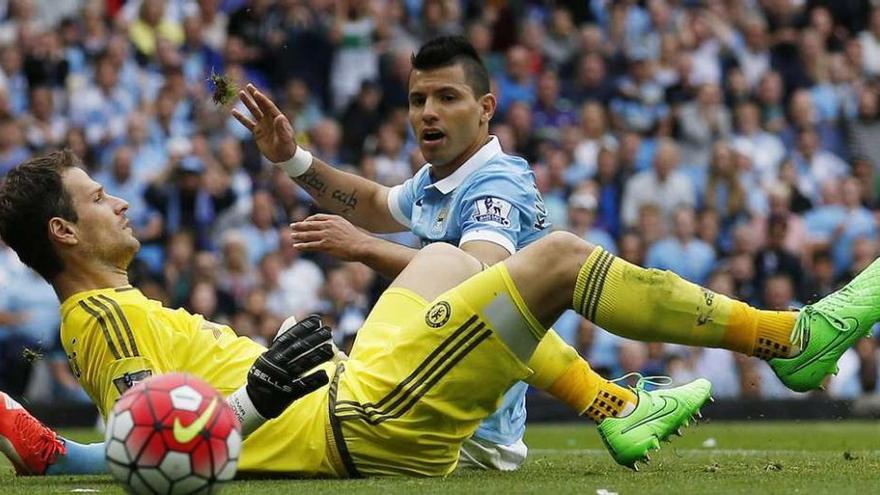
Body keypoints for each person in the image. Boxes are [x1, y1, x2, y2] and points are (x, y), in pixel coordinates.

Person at [1, 151, 875, 478]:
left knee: (445, 260)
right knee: (559, 256)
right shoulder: (103, 318)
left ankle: (617, 407)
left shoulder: (114, 305)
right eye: (97, 195)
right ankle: (790, 339)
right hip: (357, 420)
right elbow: (142, 452)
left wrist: (44, 452)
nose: (118, 201)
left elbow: (117, 449)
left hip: (353, 390)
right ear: (64, 230)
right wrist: (251, 406)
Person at [232, 35, 561, 470]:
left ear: (486, 108)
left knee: (288, 430)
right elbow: (371, 203)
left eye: (447, 97)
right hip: (429, 403)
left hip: (467, 434)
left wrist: (364, 247)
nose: (428, 112)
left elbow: (484, 281)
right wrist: (292, 159)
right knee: (292, 375)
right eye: (418, 99)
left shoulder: (496, 185)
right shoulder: (437, 180)